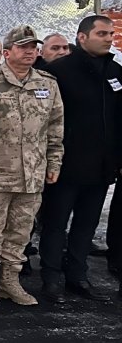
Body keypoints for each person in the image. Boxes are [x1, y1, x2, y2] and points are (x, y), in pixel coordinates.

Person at [0, 25, 63, 307]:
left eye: (33, 47)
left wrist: (54, 162)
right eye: (23, 47)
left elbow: (55, 129)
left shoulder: (47, 84)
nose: (30, 51)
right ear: (8, 53)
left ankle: (10, 280)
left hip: (32, 174)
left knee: (21, 231)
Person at [43, 15, 120, 302]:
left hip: (101, 168)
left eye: (110, 33)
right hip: (66, 165)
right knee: (55, 224)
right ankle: (51, 278)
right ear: (82, 37)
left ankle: (77, 276)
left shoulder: (114, 72)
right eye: (101, 33)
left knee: (86, 226)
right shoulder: (60, 72)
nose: (108, 37)